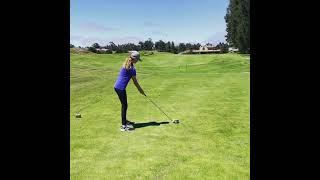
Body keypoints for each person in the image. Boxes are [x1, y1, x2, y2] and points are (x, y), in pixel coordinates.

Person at [114, 51, 146, 131]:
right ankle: (123, 126)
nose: (138, 61)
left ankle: (124, 121)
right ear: (134, 59)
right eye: (137, 59)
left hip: (117, 87)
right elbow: (135, 82)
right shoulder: (132, 69)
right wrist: (140, 90)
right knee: (124, 105)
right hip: (121, 88)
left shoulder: (125, 63)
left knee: (124, 105)